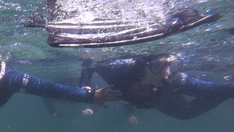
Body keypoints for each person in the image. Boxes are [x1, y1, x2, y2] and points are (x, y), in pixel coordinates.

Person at [79, 53, 234, 126]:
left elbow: (214, 89)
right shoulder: (121, 70)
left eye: (172, 66)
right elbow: (90, 64)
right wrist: (85, 86)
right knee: (184, 113)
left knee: (187, 112)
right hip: (155, 101)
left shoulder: (176, 80)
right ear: (145, 68)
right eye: (159, 66)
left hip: (161, 99)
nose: (167, 73)